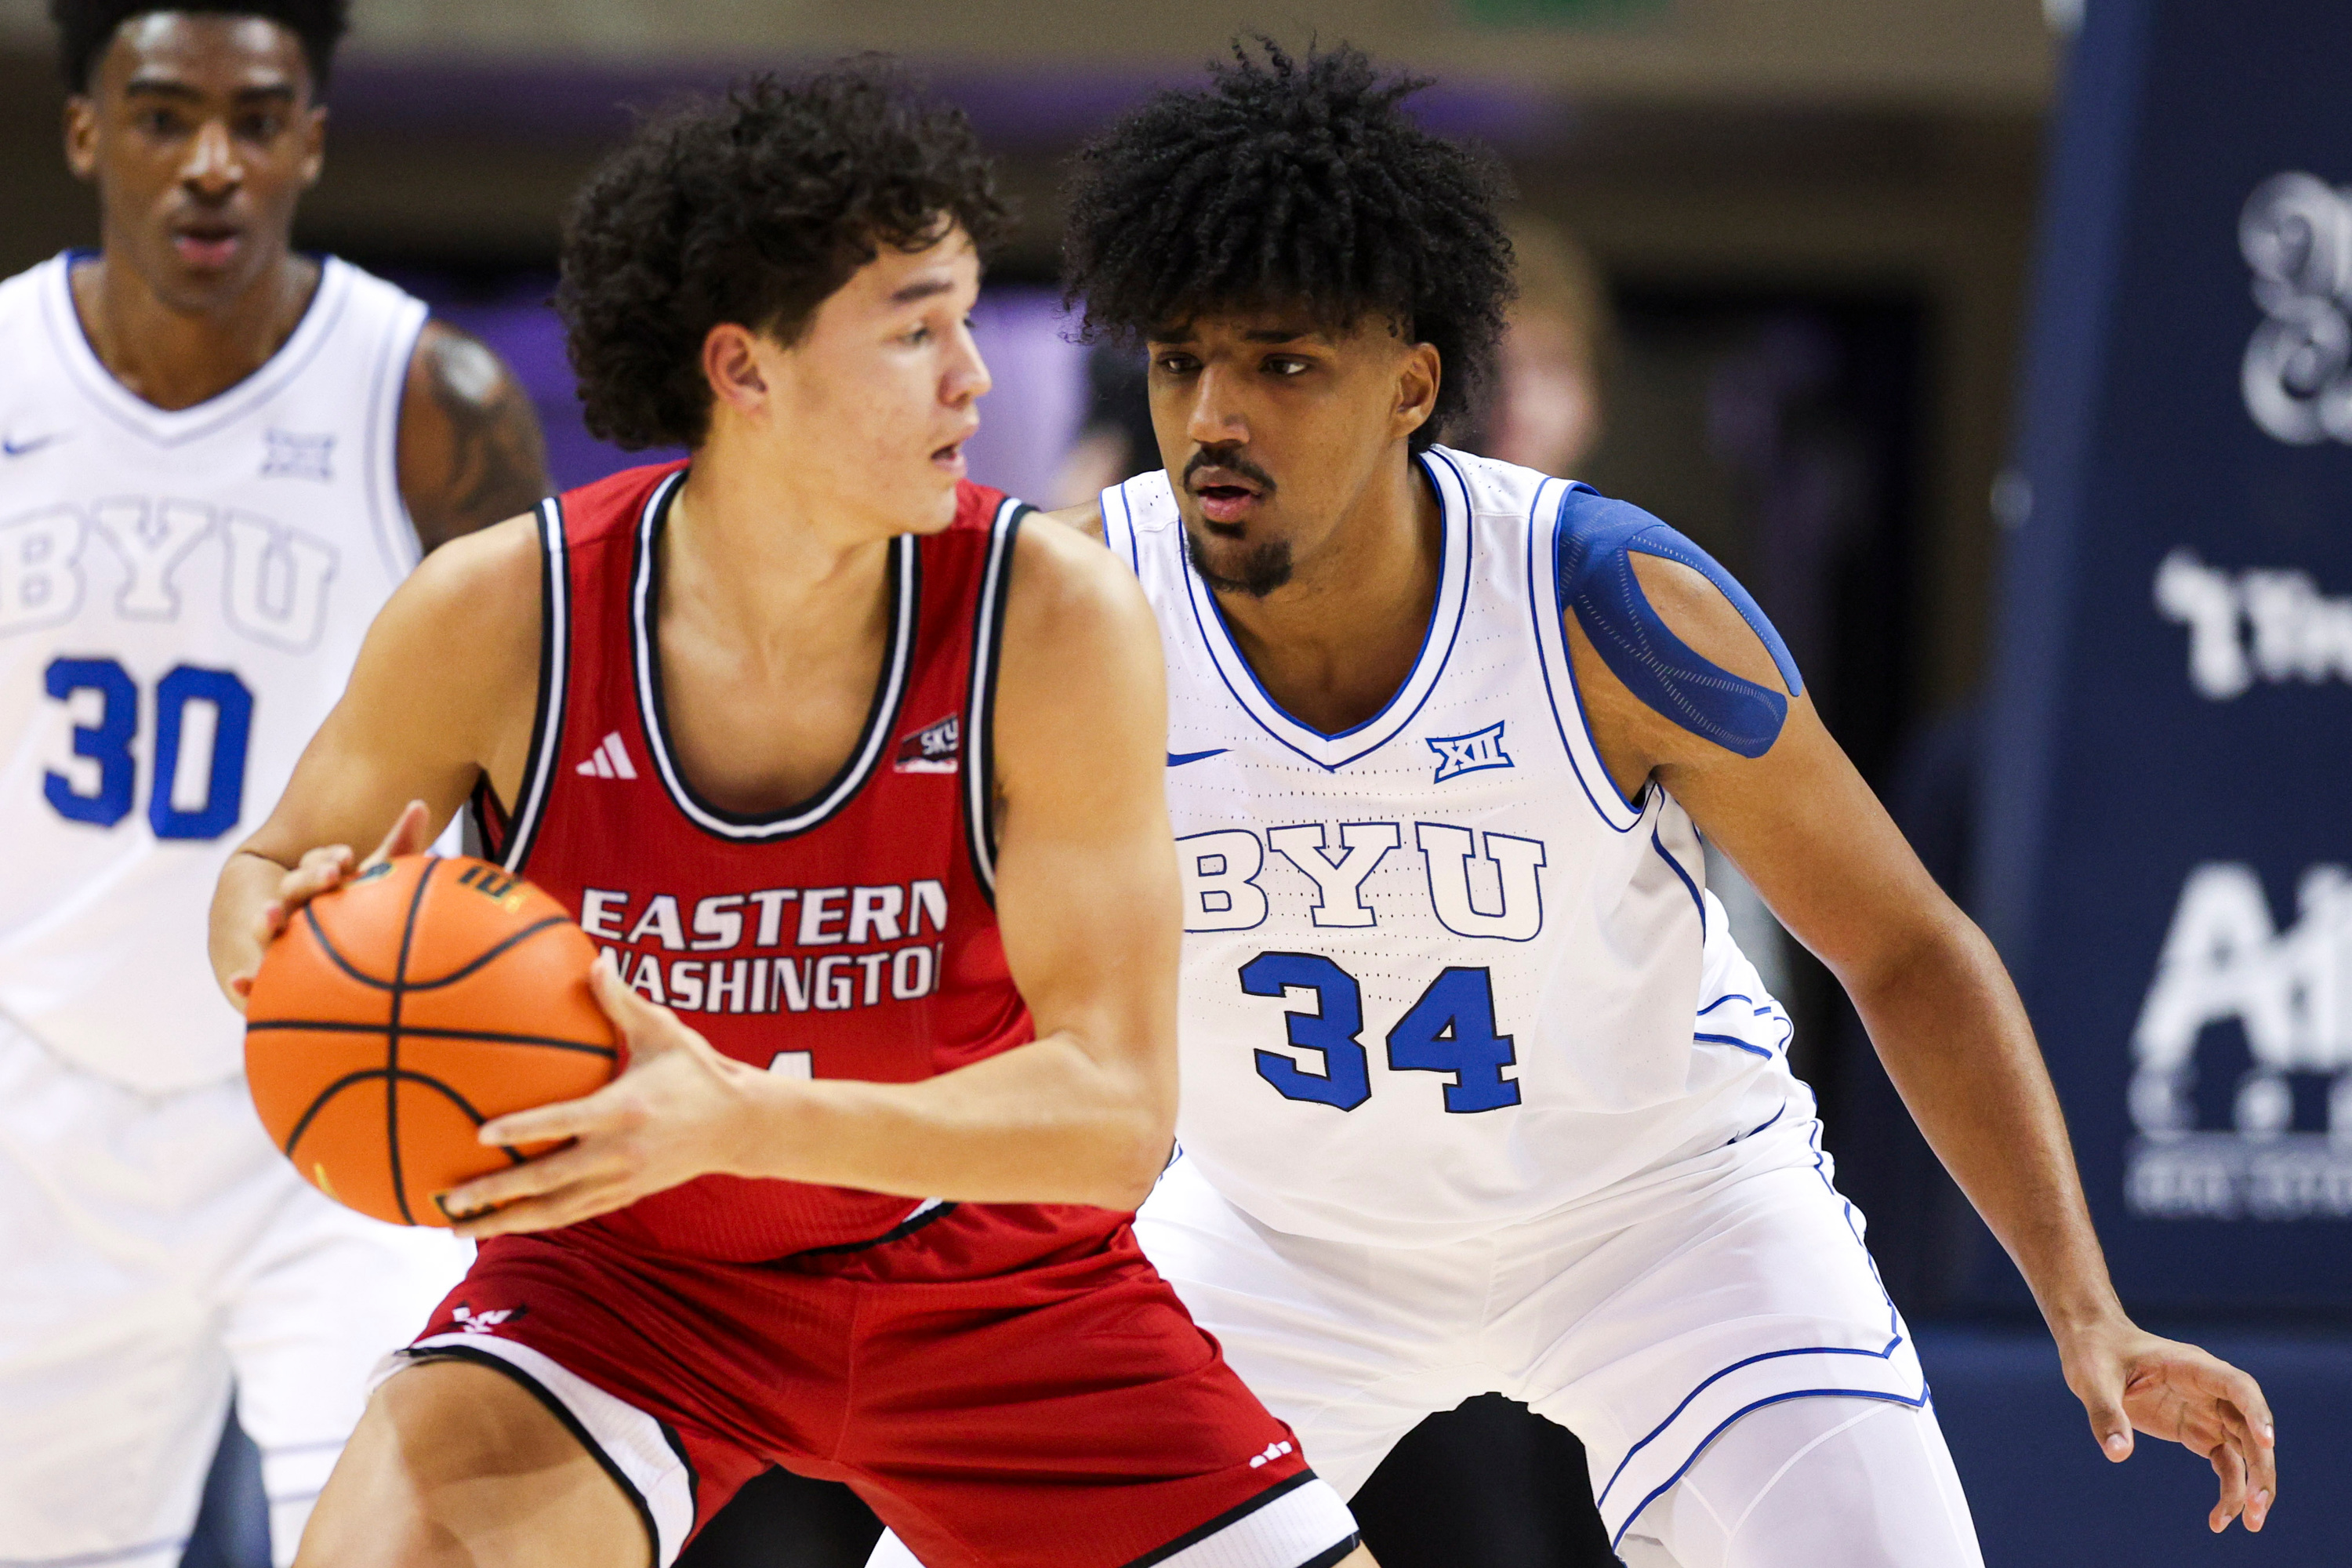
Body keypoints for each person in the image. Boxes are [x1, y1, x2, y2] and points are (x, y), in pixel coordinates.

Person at [876, 38, 2278, 1568]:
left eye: (1281, 363)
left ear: (1412, 382)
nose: (1216, 413)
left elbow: (1903, 944)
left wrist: (2083, 1300)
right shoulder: (1069, 608)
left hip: (1666, 1223)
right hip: (1278, 1239)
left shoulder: (1612, 604)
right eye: (1178, 360)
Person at [207, 66, 1368, 1568]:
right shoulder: (504, 614)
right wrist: (274, 940)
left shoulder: (1052, 617)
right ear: (745, 370)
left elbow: (1111, 1120)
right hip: (622, 1288)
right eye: (914, 330)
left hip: (992, 1285)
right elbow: (271, 871)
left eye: (967, 320)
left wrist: (737, 1116)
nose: (976, 378)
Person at [0, 3, 550, 1564]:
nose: (212, 165)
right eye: (167, 116)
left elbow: (546, 734)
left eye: (256, 118)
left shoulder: (427, 401)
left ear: (312, 135)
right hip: (36, 1091)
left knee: (403, 1538)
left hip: (346, 1075)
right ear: (87, 132)